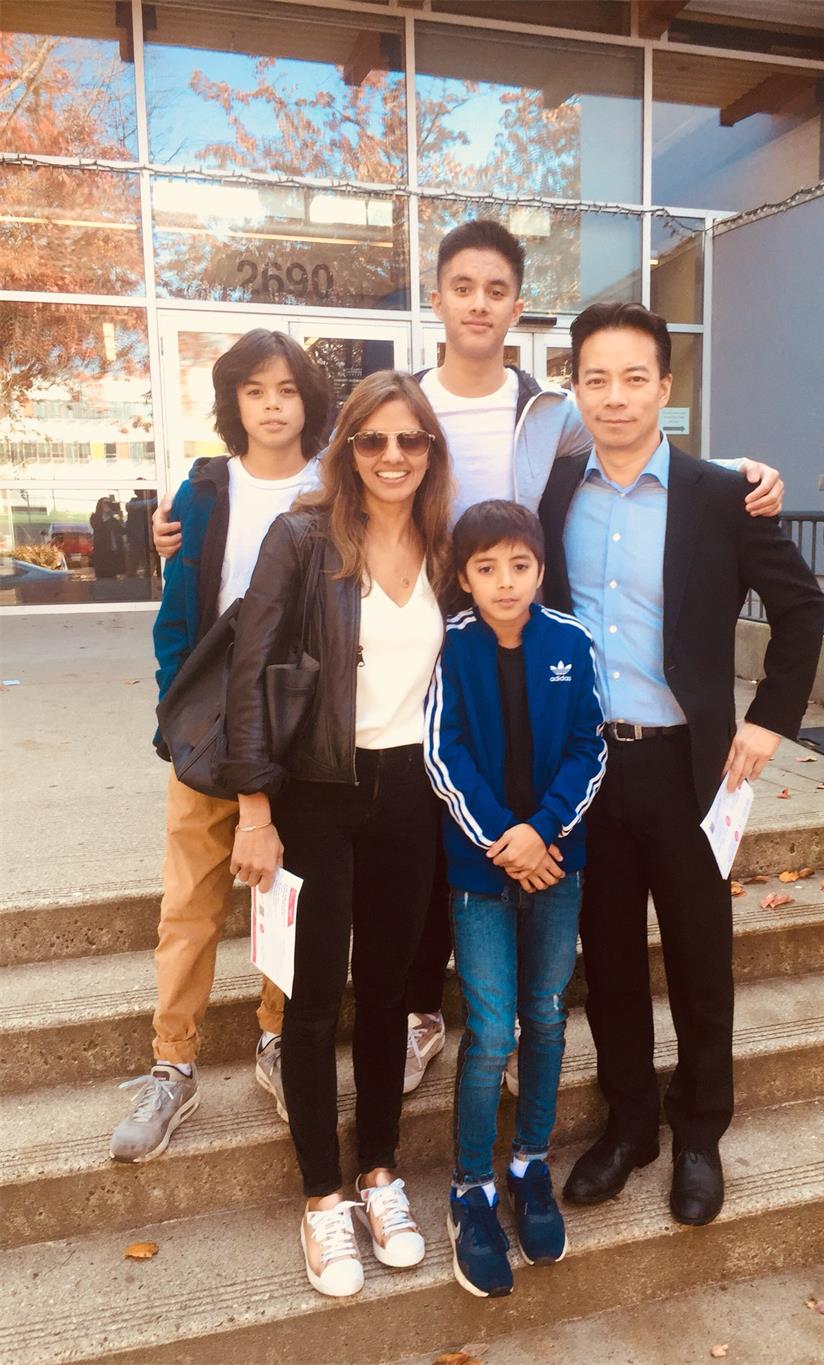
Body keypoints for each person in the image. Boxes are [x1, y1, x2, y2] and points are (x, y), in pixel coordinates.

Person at [153, 219, 787, 1096]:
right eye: (463, 288)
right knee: (421, 850)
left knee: (512, 830)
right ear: (438, 299)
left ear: (518, 307)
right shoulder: (398, 405)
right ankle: (410, 1015)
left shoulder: (552, 415)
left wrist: (732, 471)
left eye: (496, 291)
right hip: (402, 657)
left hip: (522, 659)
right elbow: (307, 487)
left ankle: (522, 1024)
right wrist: (187, 521)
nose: (479, 304)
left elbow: (632, 454)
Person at [538, 303, 824, 1228]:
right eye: (596, 378)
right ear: (575, 388)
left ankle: (699, 1130)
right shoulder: (555, 491)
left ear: (665, 386)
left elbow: (802, 606)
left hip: (690, 768)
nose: (615, 396)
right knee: (611, 959)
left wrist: (770, 720)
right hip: (590, 769)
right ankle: (630, 1125)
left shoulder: (719, 493)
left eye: (635, 378)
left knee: (701, 959)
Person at [219, 371, 452, 1298]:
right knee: (314, 1003)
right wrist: (254, 809)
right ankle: (322, 1194)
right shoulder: (303, 537)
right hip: (316, 794)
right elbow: (250, 672)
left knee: (390, 994)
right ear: (347, 447)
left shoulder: (443, 541)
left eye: (410, 440)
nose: (393, 456)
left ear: (430, 450)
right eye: (373, 439)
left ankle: (380, 1171)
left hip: (412, 795)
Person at [110, 330, 330, 1163]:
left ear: (309, 400)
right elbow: (177, 613)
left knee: (284, 900)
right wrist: (177, 715)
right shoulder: (204, 489)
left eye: (287, 389)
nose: (272, 406)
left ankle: (277, 1037)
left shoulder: (333, 484)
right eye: (255, 391)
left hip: (300, 726)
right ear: (234, 402)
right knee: (190, 904)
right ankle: (173, 1062)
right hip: (209, 728)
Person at [424, 499, 605, 1298]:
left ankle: (530, 1163)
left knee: (547, 1015)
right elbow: (444, 752)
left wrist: (544, 830)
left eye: (520, 565)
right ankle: (470, 1186)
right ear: (464, 577)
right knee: (493, 1028)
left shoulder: (571, 640)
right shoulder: (452, 645)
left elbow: (589, 746)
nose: (505, 582)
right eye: (487, 567)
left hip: (558, 862)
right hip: (482, 871)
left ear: (540, 569)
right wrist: (506, 838)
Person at [90, 496, 127, 578]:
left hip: (113, 552)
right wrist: (107, 516)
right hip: (101, 551)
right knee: (102, 576)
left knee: (112, 576)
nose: (107, 505)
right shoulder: (95, 517)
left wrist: (120, 518)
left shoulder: (113, 520)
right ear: (100, 505)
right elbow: (97, 527)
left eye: (109, 503)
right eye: (105, 503)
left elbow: (123, 530)